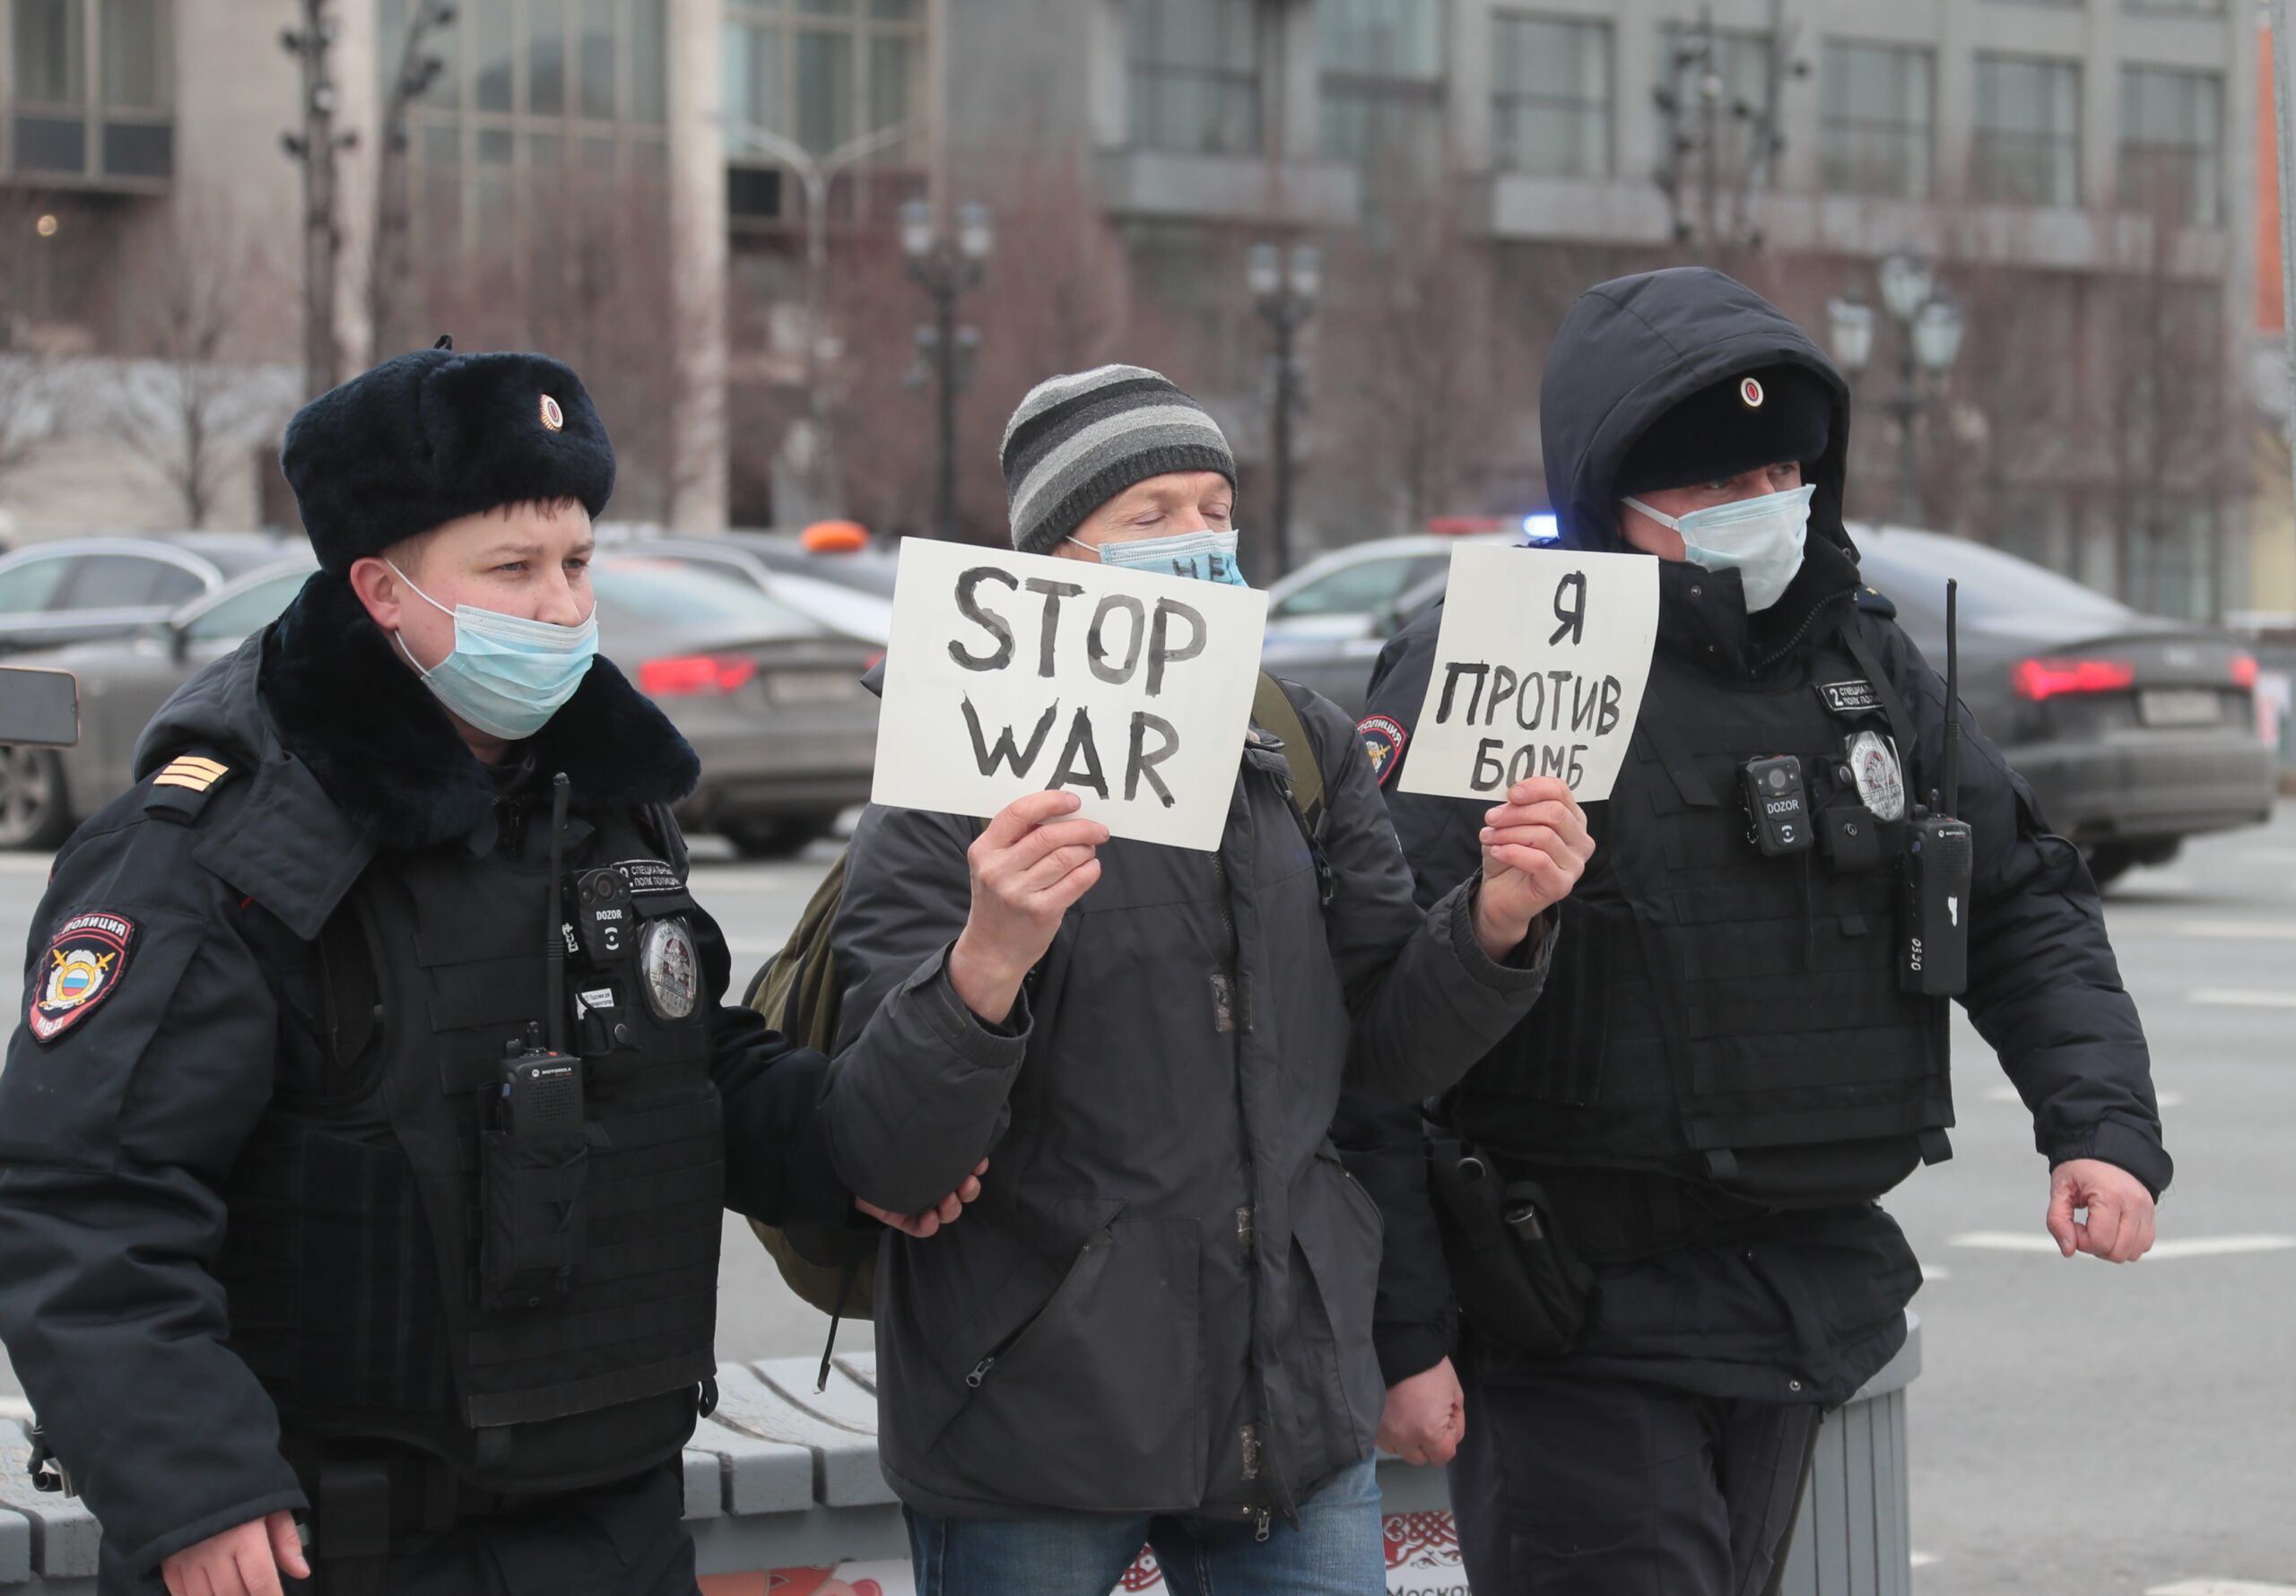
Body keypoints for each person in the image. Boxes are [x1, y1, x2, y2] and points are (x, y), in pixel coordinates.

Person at [0, 343, 976, 1596]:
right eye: (512, 570)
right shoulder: (227, 843)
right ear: (381, 590)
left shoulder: (601, 804)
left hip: (611, 1519)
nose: (566, 608)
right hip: (325, 1540)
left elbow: (691, 1071)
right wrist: (194, 1488)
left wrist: (857, 1148)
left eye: (578, 562)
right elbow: (87, 1193)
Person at [1354, 266, 2171, 1596]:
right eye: (1715, 488)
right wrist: (1403, 1332)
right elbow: (1370, 1030)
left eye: (1782, 471)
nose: (1761, 508)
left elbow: (2019, 899)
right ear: (1609, 493)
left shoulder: (1860, 660)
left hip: (1795, 1299)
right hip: (1572, 1318)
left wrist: (2102, 1129)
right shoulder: (1505, 665)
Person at [815, 364, 1594, 1596]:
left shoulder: (1299, 743)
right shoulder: (952, 777)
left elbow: (1379, 1056)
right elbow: (889, 1152)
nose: (1199, 542)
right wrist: (988, 959)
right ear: (1055, 561)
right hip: (1030, 1422)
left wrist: (1495, 927)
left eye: (1214, 507)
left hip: (1286, 1401)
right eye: (1152, 515)